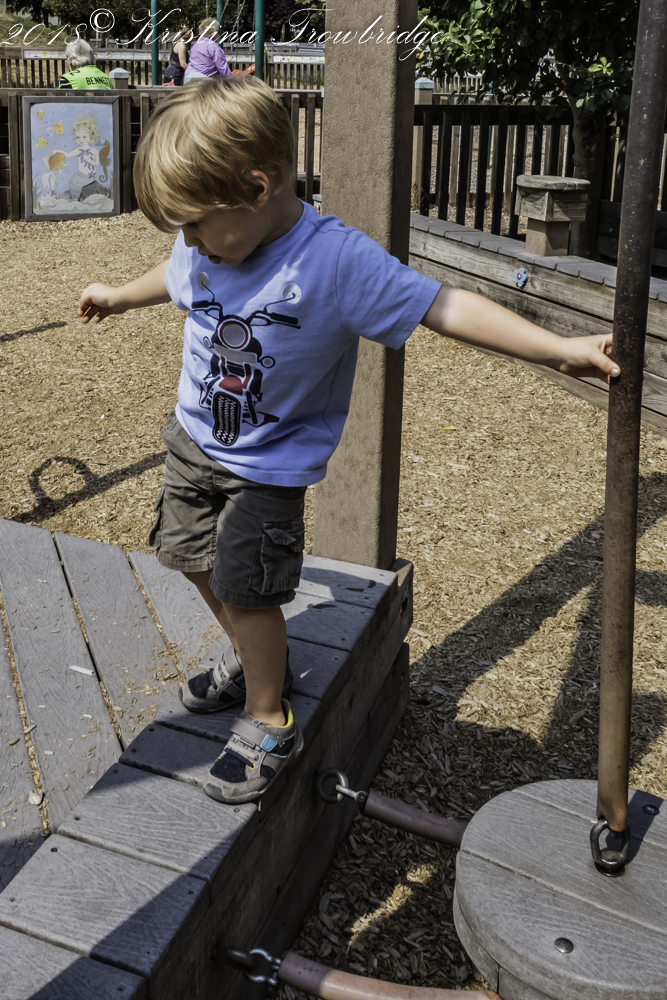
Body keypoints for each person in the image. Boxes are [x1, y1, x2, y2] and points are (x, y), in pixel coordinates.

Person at [77, 78, 619, 806]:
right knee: (187, 557)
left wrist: (555, 348)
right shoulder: (208, 244)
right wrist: (118, 295)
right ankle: (249, 656)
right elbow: (175, 274)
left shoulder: (332, 262)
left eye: (197, 225)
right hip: (192, 441)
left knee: (248, 590)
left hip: (265, 471)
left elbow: (443, 305)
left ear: (257, 187)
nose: (190, 243)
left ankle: (268, 715)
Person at [184, 17, 254, 83]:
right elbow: (224, 71)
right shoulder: (214, 47)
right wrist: (233, 82)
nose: (219, 35)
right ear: (212, 32)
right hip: (204, 83)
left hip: (188, 79)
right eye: (218, 31)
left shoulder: (195, 45)